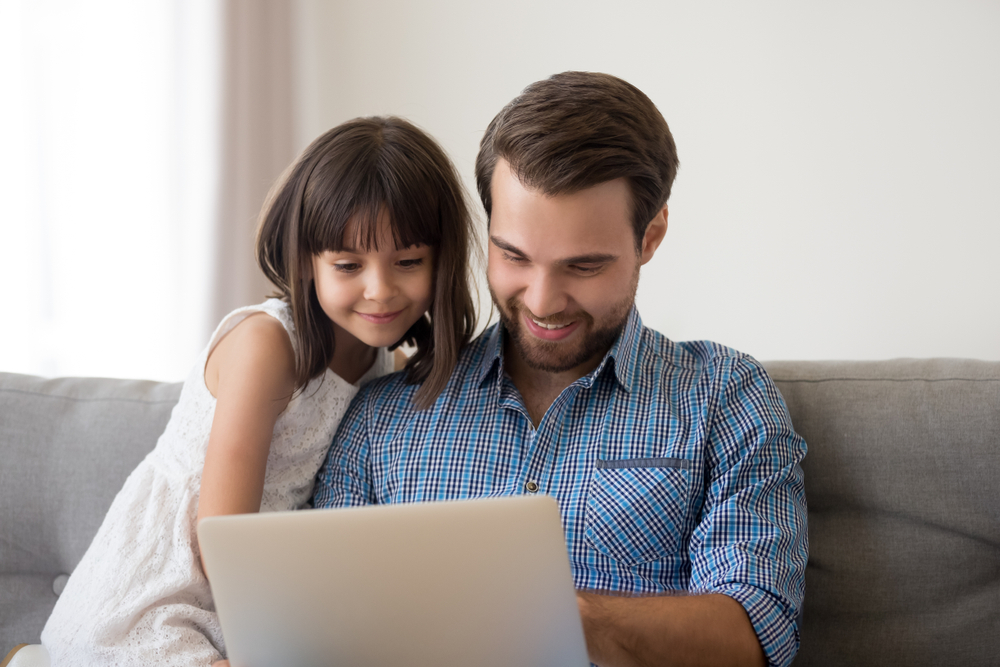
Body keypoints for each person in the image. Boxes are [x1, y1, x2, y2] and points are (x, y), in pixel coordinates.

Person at [314, 72, 808, 667]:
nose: (543, 301)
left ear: (650, 236)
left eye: (583, 266)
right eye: (514, 256)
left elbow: (758, 632)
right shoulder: (379, 417)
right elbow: (315, 625)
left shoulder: (723, 397)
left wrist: (565, 618)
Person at [40, 116, 477, 666]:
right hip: (158, 597)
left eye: (408, 262)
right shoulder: (267, 345)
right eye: (348, 265)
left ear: (442, 260)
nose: (380, 290)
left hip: (242, 600)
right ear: (306, 262)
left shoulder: (382, 360)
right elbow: (220, 536)